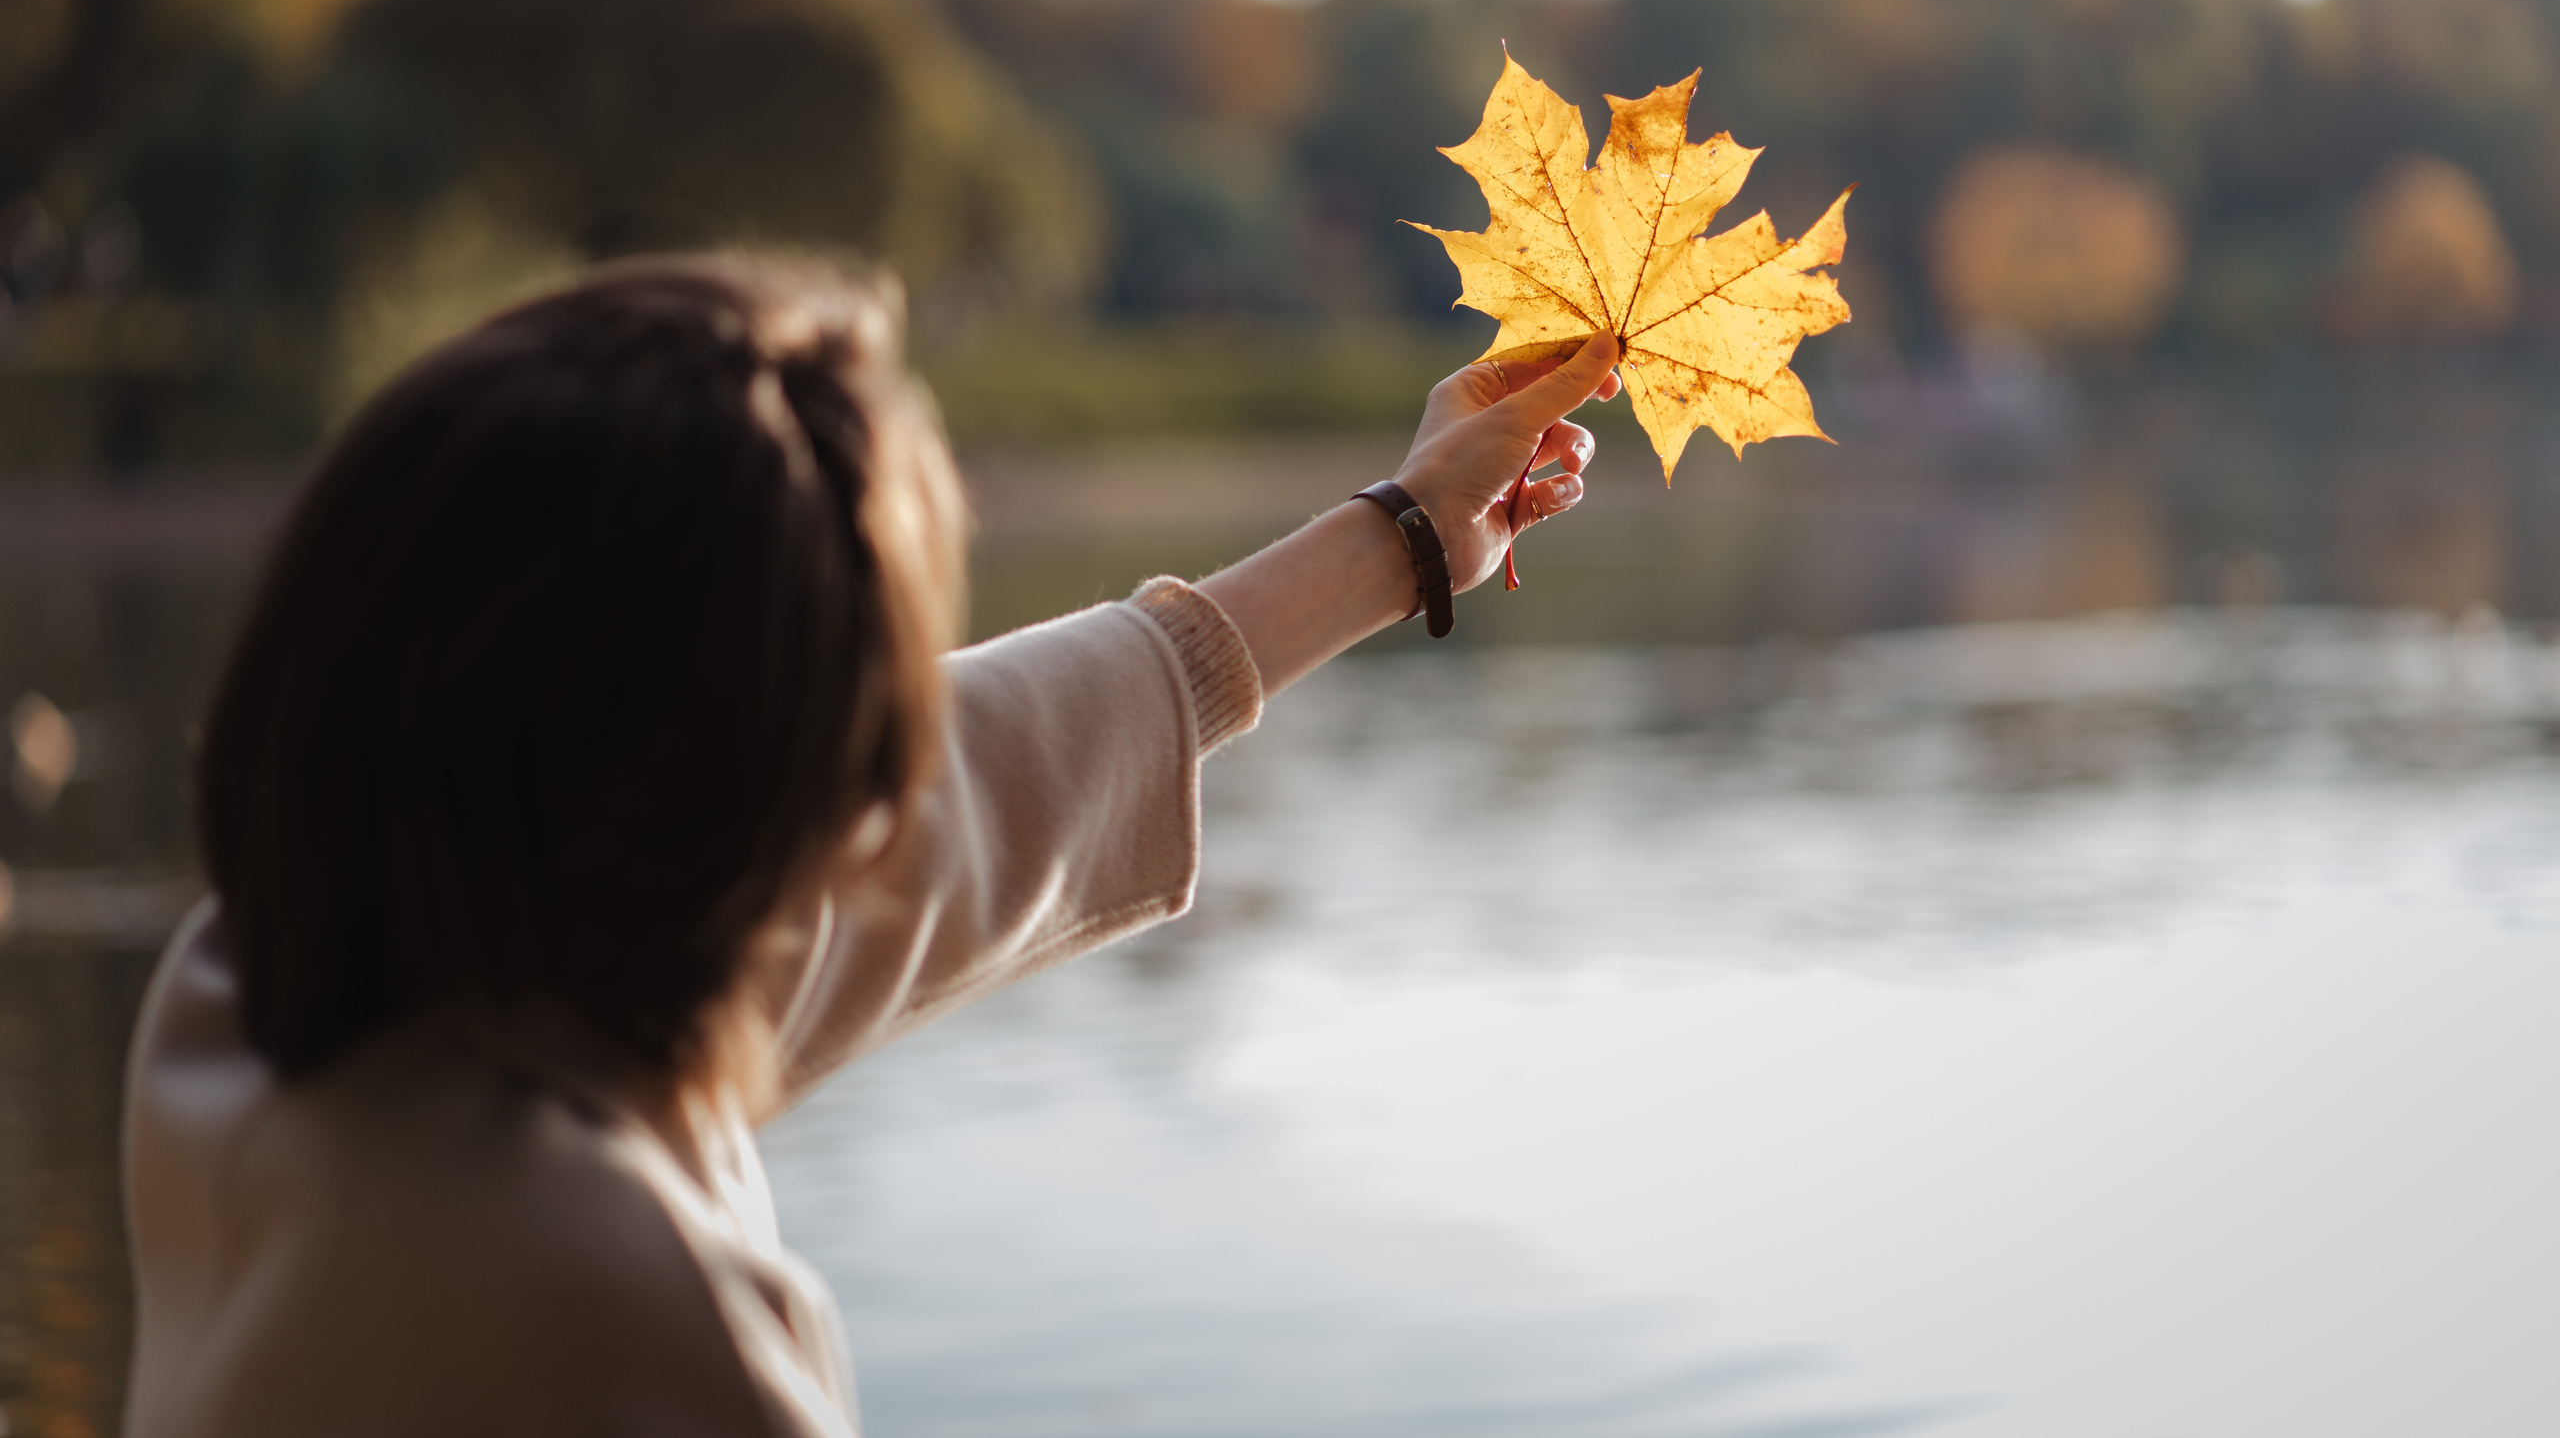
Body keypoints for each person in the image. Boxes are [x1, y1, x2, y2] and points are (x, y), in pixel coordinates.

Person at [121, 253, 1621, 1437]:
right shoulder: (612, 1298)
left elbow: (991, 783)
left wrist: (1408, 530)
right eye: (864, 725)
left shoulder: (269, 985)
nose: (895, 788)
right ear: (754, 809)